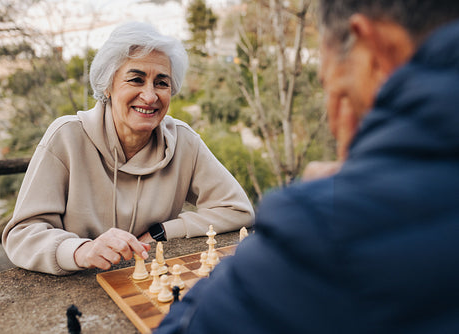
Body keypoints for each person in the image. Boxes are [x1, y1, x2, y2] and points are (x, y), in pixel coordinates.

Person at [156, 1, 459, 333]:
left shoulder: (325, 227)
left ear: (370, 54)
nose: (333, 119)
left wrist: (308, 216)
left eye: (332, 85)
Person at [2, 22, 254, 276]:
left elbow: (237, 210)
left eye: (161, 83)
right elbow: (22, 235)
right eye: (136, 79)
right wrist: (80, 250)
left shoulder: (183, 141)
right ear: (107, 86)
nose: (150, 96)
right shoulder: (66, 136)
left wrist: (163, 231)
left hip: (146, 283)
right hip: (79, 287)